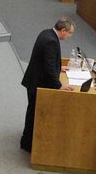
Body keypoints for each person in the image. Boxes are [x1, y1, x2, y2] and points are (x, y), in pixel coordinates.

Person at [20, 17, 73, 152]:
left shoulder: (46, 32)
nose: (69, 36)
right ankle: (27, 144)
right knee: (34, 113)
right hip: (37, 82)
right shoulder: (51, 41)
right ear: (63, 31)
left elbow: (46, 59)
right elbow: (48, 67)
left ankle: (27, 140)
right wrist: (60, 85)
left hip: (34, 79)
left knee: (32, 111)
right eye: (70, 33)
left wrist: (59, 68)